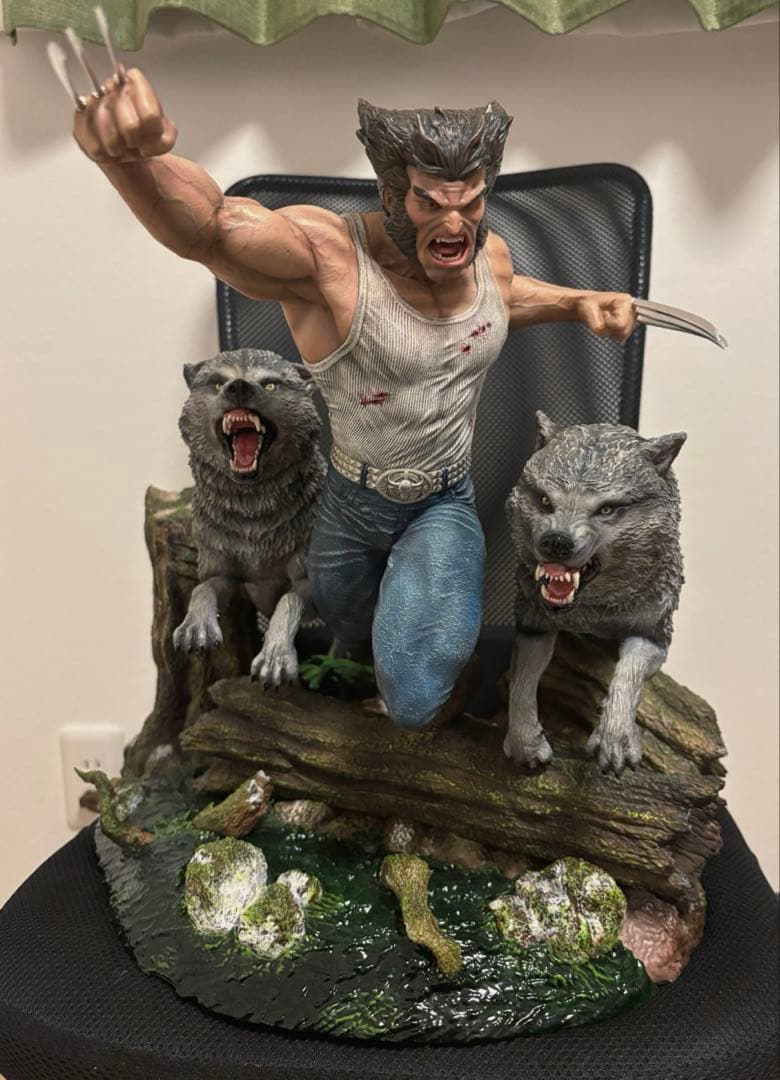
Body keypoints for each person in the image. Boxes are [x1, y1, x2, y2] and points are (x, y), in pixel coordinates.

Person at [71, 71, 636, 732]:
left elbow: (504, 298)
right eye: (431, 204)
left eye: (472, 202)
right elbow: (213, 228)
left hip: (442, 503)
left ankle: (432, 679)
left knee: (415, 694)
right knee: (339, 621)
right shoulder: (329, 258)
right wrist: (130, 162)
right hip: (347, 502)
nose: (456, 225)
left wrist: (579, 301)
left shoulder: (491, 258)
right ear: (392, 196)